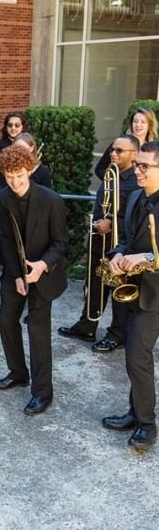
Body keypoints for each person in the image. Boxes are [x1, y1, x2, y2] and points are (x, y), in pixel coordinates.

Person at [0, 145, 68, 415]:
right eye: (9, 176)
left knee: (37, 330)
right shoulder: (3, 198)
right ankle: (17, 373)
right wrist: (16, 276)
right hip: (16, 272)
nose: (15, 182)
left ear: (30, 170)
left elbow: (60, 244)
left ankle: (42, 393)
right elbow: (6, 240)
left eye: (20, 175)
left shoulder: (51, 200)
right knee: (5, 320)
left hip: (44, 274)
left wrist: (40, 267)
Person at [58, 135, 139, 352]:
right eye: (113, 149)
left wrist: (111, 223)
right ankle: (87, 325)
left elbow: (135, 217)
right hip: (99, 239)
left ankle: (117, 334)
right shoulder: (110, 174)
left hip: (120, 245)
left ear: (134, 155)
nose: (113, 154)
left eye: (120, 151)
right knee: (94, 284)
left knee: (118, 288)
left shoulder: (136, 182)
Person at [102, 141, 159, 450]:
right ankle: (135, 412)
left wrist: (146, 258)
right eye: (138, 165)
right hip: (129, 290)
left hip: (155, 296)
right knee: (132, 356)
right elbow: (123, 237)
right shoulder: (136, 196)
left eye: (144, 166)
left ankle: (147, 424)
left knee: (138, 356)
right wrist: (117, 255)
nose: (137, 171)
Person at [95, 108, 158, 181]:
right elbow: (100, 169)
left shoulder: (153, 149)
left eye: (143, 122)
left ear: (150, 125)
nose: (138, 125)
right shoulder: (118, 145)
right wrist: (113, 183)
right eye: (135, 121)